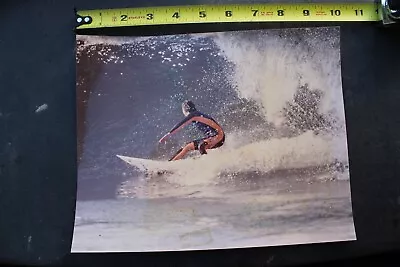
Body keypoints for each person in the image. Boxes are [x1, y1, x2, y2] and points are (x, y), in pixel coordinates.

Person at [159, 100, 225, 161]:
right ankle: (170, 163)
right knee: (186, 147)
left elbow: (181, 124)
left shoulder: (194, 114)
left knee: (201, 145)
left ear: (185, 109)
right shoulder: (197, 115)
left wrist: (168, 135)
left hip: (218, 136)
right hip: (216, 138)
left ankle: (207, 162)